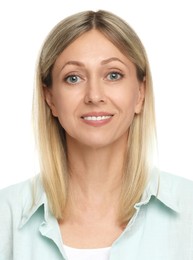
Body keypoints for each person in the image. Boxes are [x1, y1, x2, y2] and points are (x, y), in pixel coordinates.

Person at [0, 10, 192, 260]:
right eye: (73, 78)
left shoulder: (188, 208)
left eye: (113, 75)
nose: (94, 95)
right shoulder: (6, 214)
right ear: (50, 99)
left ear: (140, 93)